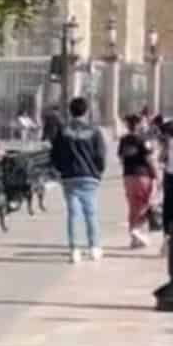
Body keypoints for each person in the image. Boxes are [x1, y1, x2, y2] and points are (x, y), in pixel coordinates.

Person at [48, 96, 107, 264]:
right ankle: (94, 247)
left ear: (70, 111)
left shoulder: (64, 131)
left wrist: (60, 170)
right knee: (91, 212)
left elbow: (55, 154)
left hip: (70, 177)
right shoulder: (95, 131)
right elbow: (101, 155)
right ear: (86, 111)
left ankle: (74, 250)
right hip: (89, 176)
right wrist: (98, 171)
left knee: (74, 214)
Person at [118, 115, 157, 249]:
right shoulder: (143, 139)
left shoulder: (124, 140)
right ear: (138, 125)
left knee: (132, 206)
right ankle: (137, 231)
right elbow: (149, 158)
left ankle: (134, 238)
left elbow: (121, 158)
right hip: (142, 175)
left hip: (128, 176)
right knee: (144, 205)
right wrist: (156, 174)